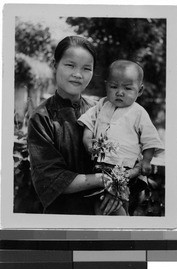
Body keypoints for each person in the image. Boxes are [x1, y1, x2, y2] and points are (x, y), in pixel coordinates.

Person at [27, 35, 120, 215]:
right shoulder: (41, 118)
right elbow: (51, 178)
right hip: (63, 217)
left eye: (87, 68)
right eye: (70, 65)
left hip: (106, 213)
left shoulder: (101, 110)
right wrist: (105, 179)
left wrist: (118, 189)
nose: (78, 75)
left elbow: (128, 155)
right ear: (55, 65)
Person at [78, 59, 164, 215]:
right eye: (113, 86)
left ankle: (121, 229)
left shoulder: (138, 112)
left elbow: (149, 139)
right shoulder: (102, 104)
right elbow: (88, 121)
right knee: (102, 203)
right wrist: (87, 140)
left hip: (125, 169)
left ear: (140, 91)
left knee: (119, 203)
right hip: (101, 166)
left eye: (128, 88)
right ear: (106, 86)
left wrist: (146, 161)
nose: (119, 92)